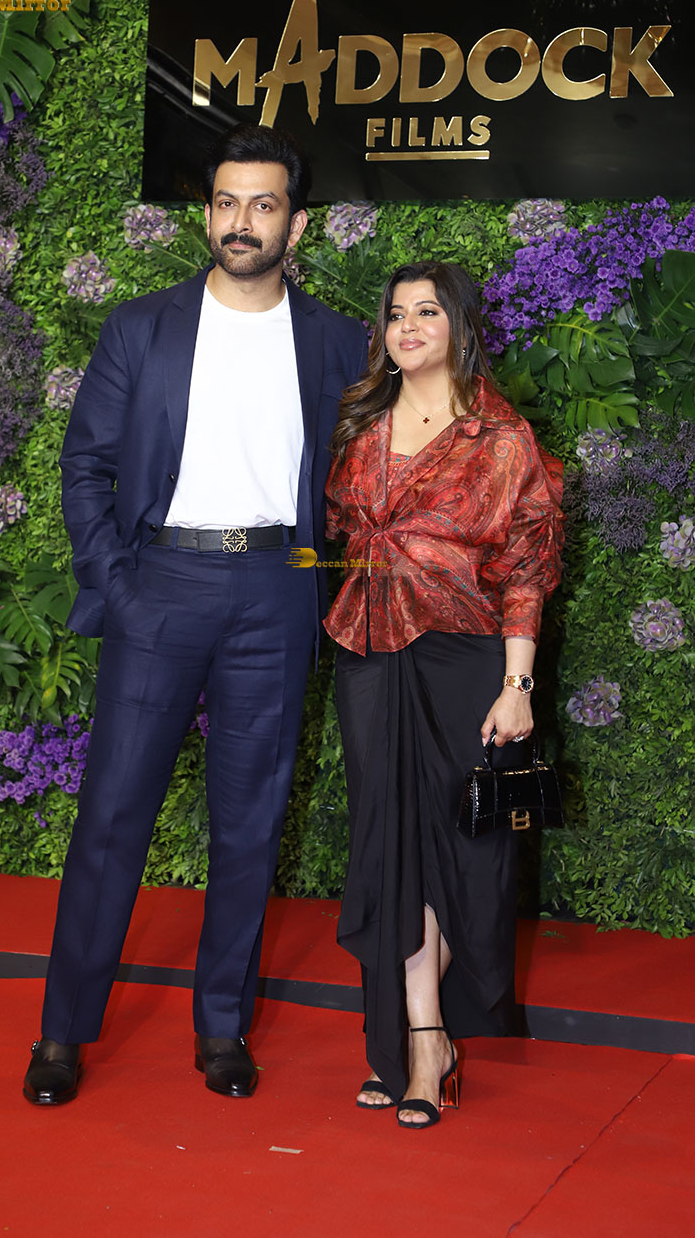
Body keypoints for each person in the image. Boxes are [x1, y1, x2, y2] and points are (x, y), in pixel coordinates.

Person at [22, 124, 368, 1105]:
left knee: (250, 823)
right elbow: (85, 466)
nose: (240, 221)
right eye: (225, 202)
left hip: (276, 590)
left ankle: (222, 1027)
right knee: (111, 816)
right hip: (160, 585)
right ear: (206, 213)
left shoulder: (338, 341)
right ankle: (62, 1032)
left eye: (263, 204)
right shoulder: (142, 327)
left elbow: (374, 471)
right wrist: (120, 583)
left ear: (296, 224)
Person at [323, 262, 563, 1128]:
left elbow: (526, 568)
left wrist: (516, 685)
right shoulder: (359, 424)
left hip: (464, 659)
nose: (408, 327)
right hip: (368, 657)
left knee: (461, 848)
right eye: (395, 314)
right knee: (390, 846)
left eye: (427, 311)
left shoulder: (501, 438)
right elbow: (337, 536)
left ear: (460, 327)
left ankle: (425, 1034)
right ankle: (420, 1040)